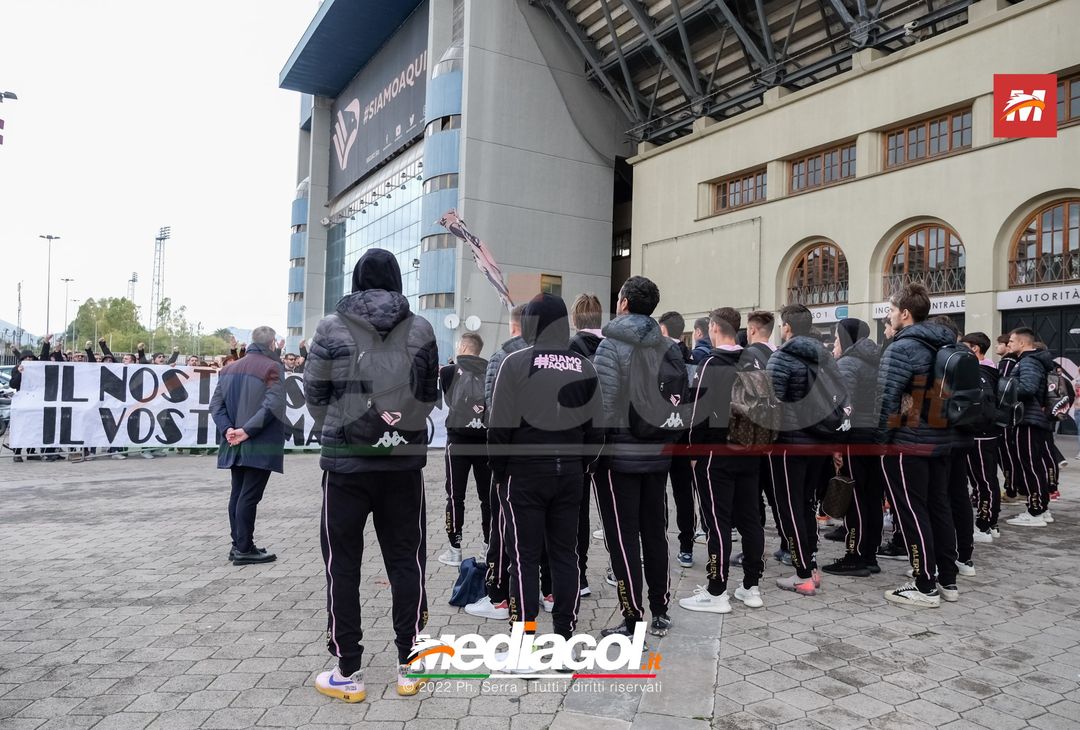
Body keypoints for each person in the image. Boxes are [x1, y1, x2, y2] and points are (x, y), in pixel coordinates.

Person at [305, 248, 439, 701]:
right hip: (402, 464)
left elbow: (315, 392)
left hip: (346, 462)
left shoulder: (330, 326)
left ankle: (348, 670)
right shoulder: (420, 327)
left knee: (342, 564)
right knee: (406, 561)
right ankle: (410, 665)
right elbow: (428, 393)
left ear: (358, 280)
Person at [487, 293, 603, 653]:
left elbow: (498, 428)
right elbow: (597, 431)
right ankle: (565, 634)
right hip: (568, 474)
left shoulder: (515, 362)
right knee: (565, 554)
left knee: (524, 557)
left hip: (524, 474)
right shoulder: (584, 366)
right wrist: (580, 466)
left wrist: (500, 470)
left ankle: (524, 639)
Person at [593, 275, 685, 639]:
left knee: (623, 537)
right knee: (655, 532)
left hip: (620, 457)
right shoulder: (669, 345)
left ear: (625, 303)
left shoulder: (611, 345)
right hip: (658, 454)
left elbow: (603, 405)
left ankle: (633, 616)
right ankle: (660, 609)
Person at [678, 307, 765, 614]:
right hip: (751, 451)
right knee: (751, 520)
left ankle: (717, 591)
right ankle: (751, 587)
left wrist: (692, 450)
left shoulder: (711, 363)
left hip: (717, 454)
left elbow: (696, 412)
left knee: (718, 522)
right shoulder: (755, 359)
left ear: (714, 327)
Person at [876, 283, 958, 607]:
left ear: (905, 314)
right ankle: (947, 581)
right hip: (940, 438)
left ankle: (924, 584)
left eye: (892, 310)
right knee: (940, 507)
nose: (890, 315)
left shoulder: (902, 347)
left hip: (909, 444)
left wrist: (881, 443)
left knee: (912, 512)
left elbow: (886, 402)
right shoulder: (943, 344)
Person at [766, 304, 846, 596]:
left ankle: (803, 574)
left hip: (789, 444)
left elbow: (770, 403)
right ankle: (811, 566)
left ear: (787, 326)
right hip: (820, 441)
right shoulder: (826, 358)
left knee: (790, 507)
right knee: (808, 506)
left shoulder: (782, 357)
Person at [467, 304, 529, 622]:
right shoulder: (555, 354)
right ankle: (546, 593)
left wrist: (498, 463)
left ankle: (498, 596)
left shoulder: (504, 355)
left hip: (512, 458)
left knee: (502, 526)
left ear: (512, 325)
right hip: (550, 459)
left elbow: (493, 411)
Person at [209, 326, 286, 566]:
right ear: (272, 343)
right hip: (258, 443)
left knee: (238, 493)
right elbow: (273, 405)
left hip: (233, 440)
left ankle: (239, 544)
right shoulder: (273, 367)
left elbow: (216, 406)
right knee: (249, 496)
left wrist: (228, 430)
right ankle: (244, 548)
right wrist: (247, 431)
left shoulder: (229, 368)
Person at [823, 318, 883, 578]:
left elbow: (842, 406)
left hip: (855, 437)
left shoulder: (847, 363)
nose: (835, 343)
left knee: (854, 498)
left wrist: (836, 443)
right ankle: (869, 553)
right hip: (875, 436)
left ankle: (855, 554)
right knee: (872, 498)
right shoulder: (877, 360)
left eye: (837, 337)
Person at [437, 332, 491, 567]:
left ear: (461, 346)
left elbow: (449, 402)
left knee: (455, 496)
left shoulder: (448, 372)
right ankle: (488, 546)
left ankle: (454, 548)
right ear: (479, 349)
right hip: (484, 441)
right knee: (487, 497)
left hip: (457, 440)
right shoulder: (491, 369)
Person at [568, 293, 605, 597]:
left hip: (579, 444)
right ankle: (616, 570)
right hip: (613, 438)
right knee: (615, 514)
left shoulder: (571, 349)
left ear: (574, 318)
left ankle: (578, 577)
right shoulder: (612, 347)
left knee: (577, 513)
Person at [1004, 327, 1058, 527]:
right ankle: (1041, 509)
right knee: (1034, 464)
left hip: (1028, 420)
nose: (1009, 344)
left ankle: (1035, 511)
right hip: (1033, 420)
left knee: (1030, 465)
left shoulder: (1028, 361)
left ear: (1022, 343)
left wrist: (1005, 385)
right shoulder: (1033, 361)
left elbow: (1027, 388)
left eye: (1011, 341)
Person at [658, 310, 698, 568]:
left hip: (661, 435)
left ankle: (657, 541)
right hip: (686, 437)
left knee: (657, 491)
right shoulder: (693, 359)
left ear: (663, 330)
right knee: (685, 494)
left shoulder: (657, 358)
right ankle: (686, 546)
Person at [959, 332, 1002, 541]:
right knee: (986, 479)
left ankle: (985, 524)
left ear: (974, 348)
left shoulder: (979, 371)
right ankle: (991, 523)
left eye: (964, 346)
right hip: (987, 433)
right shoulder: (991, 370)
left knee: (983, 480)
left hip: (980, 433)